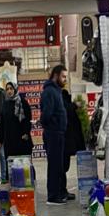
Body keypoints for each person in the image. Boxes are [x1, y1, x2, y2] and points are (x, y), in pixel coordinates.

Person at [40, 64, 70, 205]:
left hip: (58, 133)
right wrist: (53, 125)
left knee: (60, 164)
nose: (65, 79)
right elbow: (46, 114)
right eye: (63, 76)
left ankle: (62, 191)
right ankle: (53, 196)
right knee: (54, 165)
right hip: (53, 133)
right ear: (56, 75)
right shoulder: (49, 92)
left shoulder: (56, 90)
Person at [61, 88, 85, 201]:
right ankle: (62, 191)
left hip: (64, 142)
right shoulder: (64, 106)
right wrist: (74, 105)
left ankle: (62, 190)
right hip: (64, 142)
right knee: (63, 167)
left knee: (63, 167)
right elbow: (67, 109)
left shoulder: (64, 105)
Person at [0, 82, 33, 157]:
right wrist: (0, 140)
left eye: (11, 89)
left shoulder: (23, 102)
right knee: (11, 162)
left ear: (15, 89)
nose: (9, 91)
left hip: (21, 139)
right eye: (7, 89)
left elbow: (28, 119)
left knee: (23, 162)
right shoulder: (5, 104)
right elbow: (2, 123)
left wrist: (26, 132)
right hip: (9, 141)